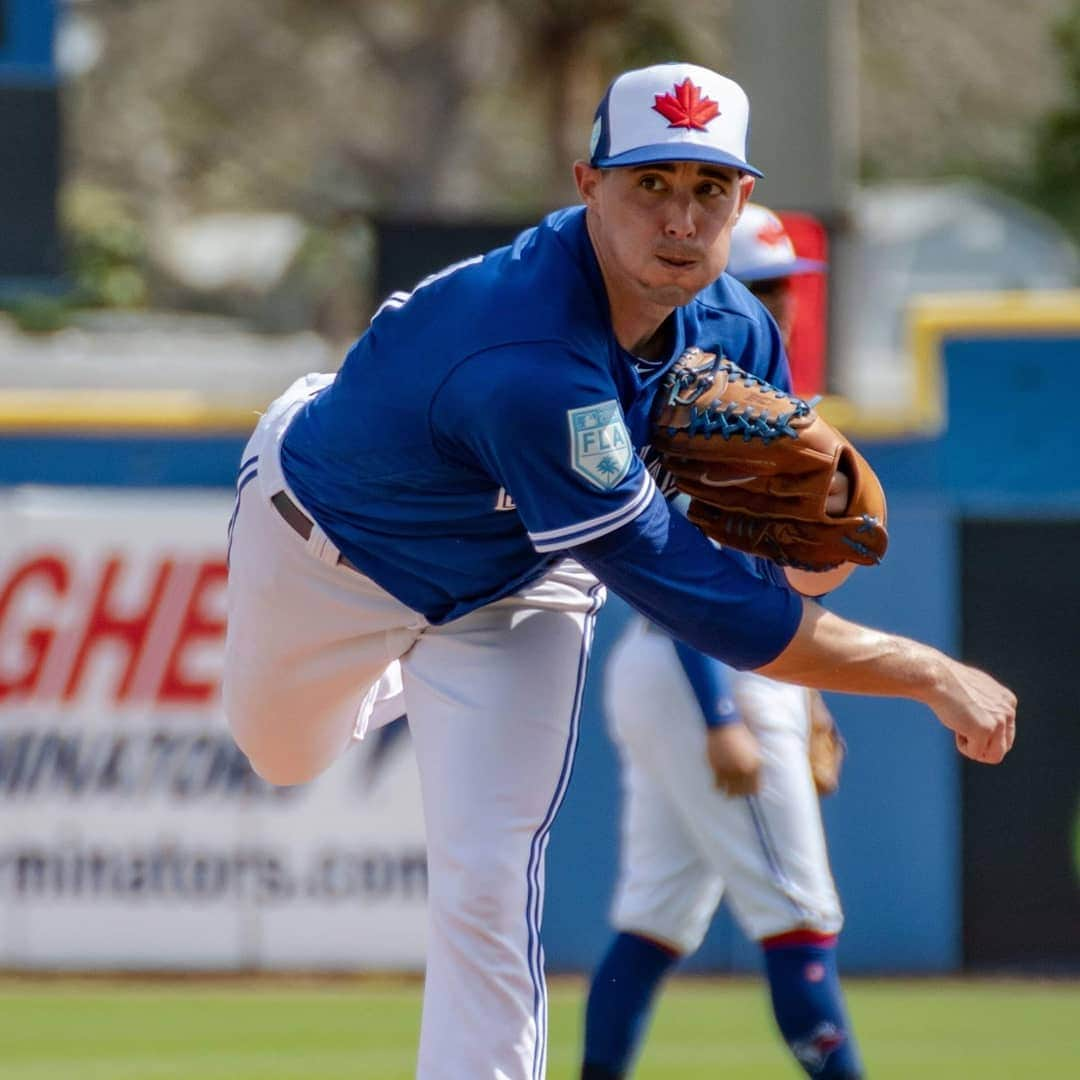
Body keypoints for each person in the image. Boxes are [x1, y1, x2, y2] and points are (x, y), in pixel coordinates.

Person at [222, 62, 1015, 1080]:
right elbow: (711, 609)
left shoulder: (737, 331)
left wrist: (822, 547)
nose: (680, 220)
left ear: (743, 200)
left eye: (708, 189)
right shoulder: (525, 352)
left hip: (516, 586)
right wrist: (922, 670)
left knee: (491, 881)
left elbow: (767, 574)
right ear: (587, 183)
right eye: (650, 184)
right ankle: (390, 678)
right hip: (329, 545)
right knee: (283, 755)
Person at [580, 207, 867, 1080]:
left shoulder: (767, 403)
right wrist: (724, 717)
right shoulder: (693, 410)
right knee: (801, 912)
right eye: (763, 287)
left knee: (655, 915)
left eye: (788, 288)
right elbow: (685, 589)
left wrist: (806, 695)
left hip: (708, 673)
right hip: (699, 671)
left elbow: (759, 578)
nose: (780, 305)